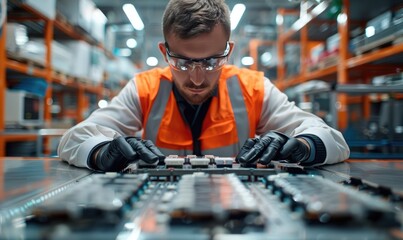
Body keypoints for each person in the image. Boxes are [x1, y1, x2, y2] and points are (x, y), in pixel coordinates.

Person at [58, 0, 350, 172]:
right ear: (164, 52)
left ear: (229, 50)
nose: (197, 79)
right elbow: (72, 140)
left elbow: (334, 140)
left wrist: (303, 146)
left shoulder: (254, 88)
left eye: (211, 62)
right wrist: (100, 152)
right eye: (182, 62)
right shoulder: (144, 88)